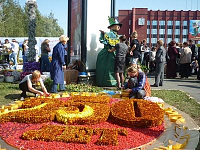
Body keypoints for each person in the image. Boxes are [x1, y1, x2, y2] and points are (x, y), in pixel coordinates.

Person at [96, 17, 122, 87]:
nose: (118, 26)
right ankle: (106, 82)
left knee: (114, 68)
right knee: (108, 67)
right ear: (112, 27)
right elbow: (103, 40)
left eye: (119, 25)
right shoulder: (109, 34)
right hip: (108, 53)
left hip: (114, 53)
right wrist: (103, 34)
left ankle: (116, 82)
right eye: (117, 25)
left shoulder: (117, 35)